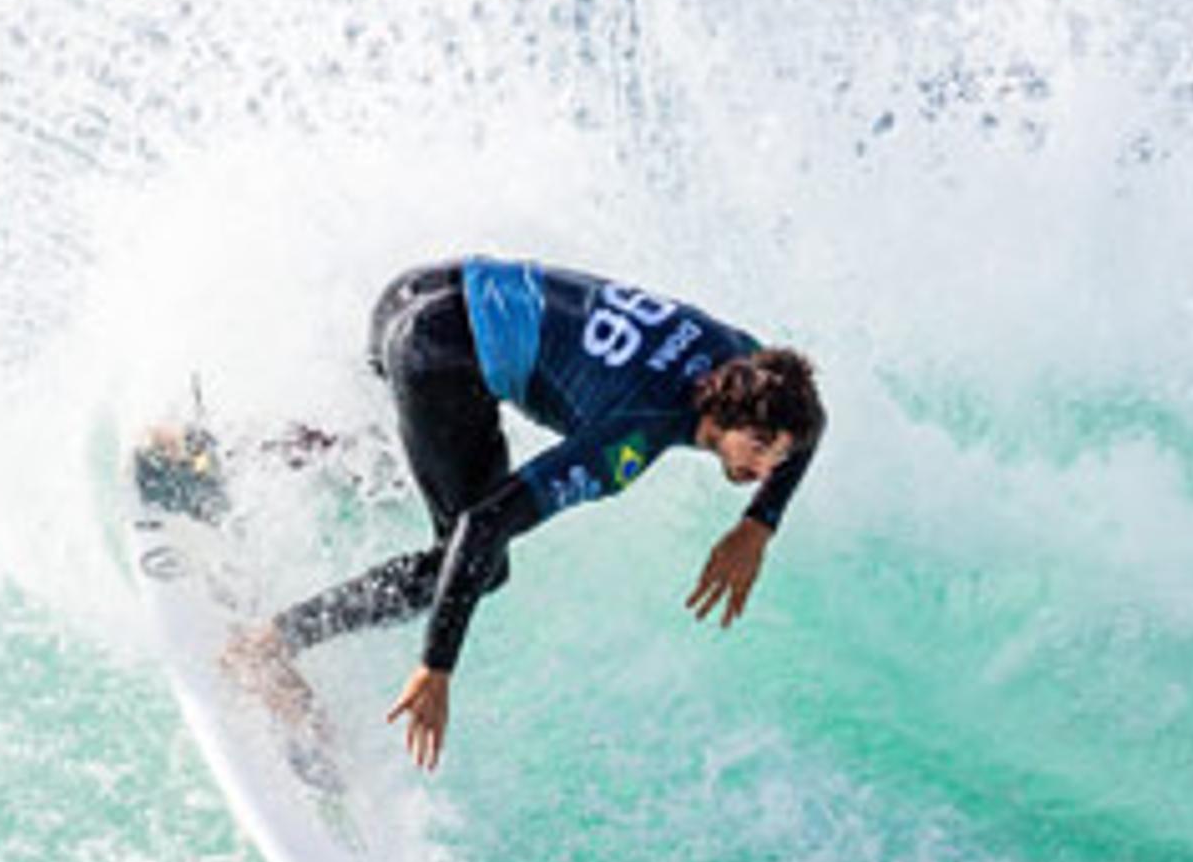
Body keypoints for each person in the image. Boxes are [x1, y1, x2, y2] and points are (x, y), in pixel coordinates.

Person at [233, 258, 823, 771]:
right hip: (437, 353)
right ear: (726, 422)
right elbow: (485, 525)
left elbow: (809, 427)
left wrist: (758, 524)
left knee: (391, 459)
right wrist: (436, 668)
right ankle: (267, 647)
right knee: (472, 564)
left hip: (421, 289)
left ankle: (221, 451)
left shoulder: (747, 360)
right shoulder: (630, 441)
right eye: (759, 453)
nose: (765, 471)